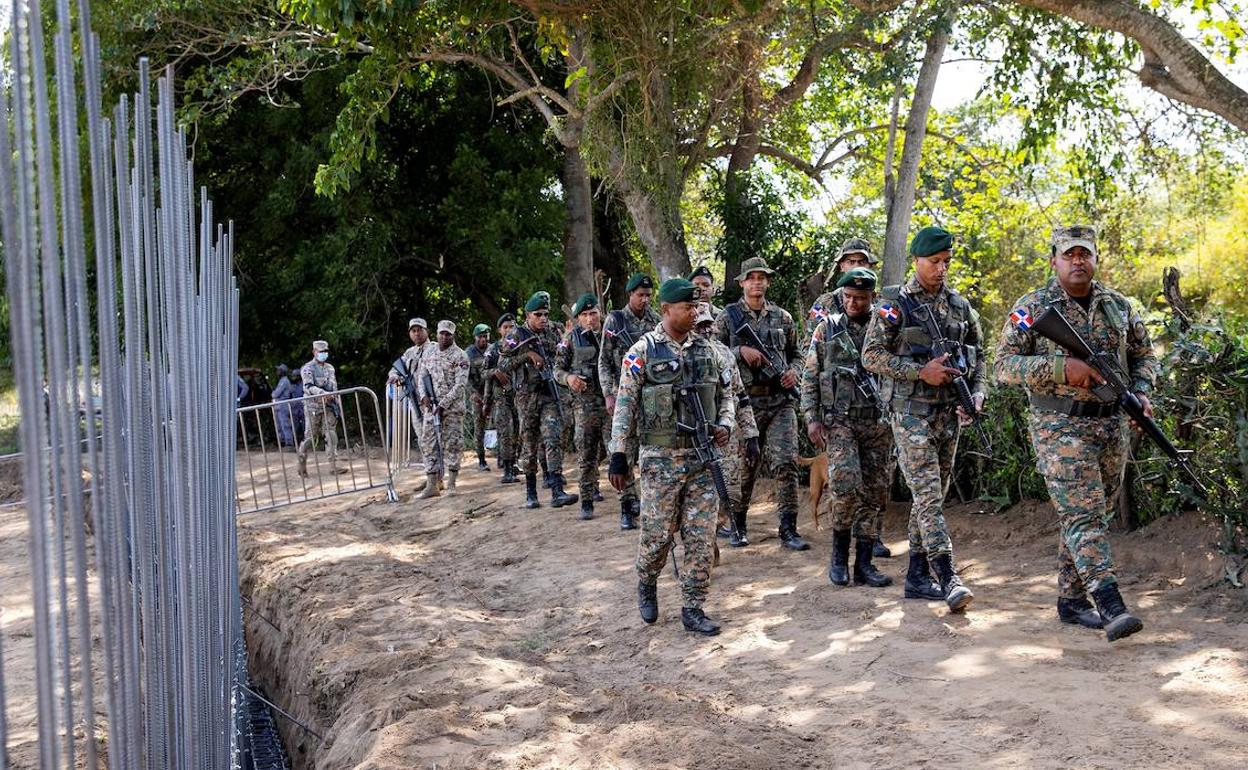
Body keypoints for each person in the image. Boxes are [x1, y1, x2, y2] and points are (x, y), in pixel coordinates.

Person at [994, 225, 1157, 642]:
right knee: (1083, 515)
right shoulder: (1033, 306)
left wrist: (1141, 392)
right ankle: (1110, 604)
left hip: (1110, 424)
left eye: (1085, 254)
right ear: (1054, 260)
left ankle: (1071, 600)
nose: (1078, 261)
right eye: (1069, 254)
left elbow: (1144, 355)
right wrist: (1061, 369)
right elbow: (1003, 366)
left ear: (1096, 258)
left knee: (1093, 515)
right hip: (1059, 426)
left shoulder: (1118, 305)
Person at [862, 225, 985, 612]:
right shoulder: (895, 304)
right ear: (916, 260)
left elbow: (979, 356)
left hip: (948, 414)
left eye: (946, 261)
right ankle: (947, 575)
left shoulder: (960, 306)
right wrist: (920, 372)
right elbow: (870, 356)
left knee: (930, 498)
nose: (941, 268)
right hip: (910, 415)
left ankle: (917, 576)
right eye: (934, 261)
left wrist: (977, 394)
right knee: (929, 497)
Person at [608, 278, 735, 635]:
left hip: (702, 458)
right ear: (666, 310)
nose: (695, 313)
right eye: (687, 307)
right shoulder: (642, 352)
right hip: (660, 459)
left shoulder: (709, 350)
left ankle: (693, 606)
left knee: (700, 535)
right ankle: (647, 580)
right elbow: (625, 405)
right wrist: (618, 453)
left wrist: (725, 424)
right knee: (658, 534)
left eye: (696, 307)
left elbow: (727, 395)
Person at [801, 267, 893, 589]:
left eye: (861, 298)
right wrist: (811, 417)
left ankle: (864, 564)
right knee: (845, 484)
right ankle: (839, 558)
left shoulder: (885, 329)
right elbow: (810, 376)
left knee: (875, 491)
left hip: (878, 423)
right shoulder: (827, 329)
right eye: (849, 297)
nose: (854, 303)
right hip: (839, 422)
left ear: (872, 297)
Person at [713, 256, 809, 551]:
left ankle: (789, 528)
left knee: (787, 463)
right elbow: (711, 352)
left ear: (768, 282)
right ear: (742, 282)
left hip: (780, 401)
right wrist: (739, 351)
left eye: (762, 278)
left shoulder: (782, 317)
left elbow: (797, 353)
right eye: (751, 278)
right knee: (746, 466)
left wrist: (794, 372)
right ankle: (738, 523)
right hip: (746, 404)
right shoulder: (727, 318)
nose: (757, 283)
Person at [501, 292, 578, 509]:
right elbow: (502, 365)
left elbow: (564, 355)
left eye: (545, 314)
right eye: (538, 315)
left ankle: (557, 490)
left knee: (553, 438)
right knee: (529, 443)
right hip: (527, 397)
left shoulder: (554, 330)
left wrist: (567, 339)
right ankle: (531, 492)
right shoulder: (516, 335)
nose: (543, 318)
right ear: (528, 315)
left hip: (550, 394)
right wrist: (527, 356)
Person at [599, 273, 661, 530]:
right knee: (623, 451)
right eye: (640, 295)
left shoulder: (656, 320)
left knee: (650, 450)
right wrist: (608, 393)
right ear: (630, 295)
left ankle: (647, 504)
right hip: (623, 395)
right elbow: (604, 361)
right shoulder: (615, 320)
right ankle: (627, 505)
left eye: (648, 296)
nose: (645, 300)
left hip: (651, 397)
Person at [695, 302, 759, 546]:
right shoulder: (680, 353)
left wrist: (751, 433)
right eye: (699, 325)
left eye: (708, 324)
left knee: (730, 488)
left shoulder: (724, 353)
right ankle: (705, 541)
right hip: (695, 436)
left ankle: (729, 526)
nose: (705, 330)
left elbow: (740, 395)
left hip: (726, 434)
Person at [554, 293, 607, 520]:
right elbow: (556, 370)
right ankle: (586, 500)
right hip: (584, 407)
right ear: (578, 318)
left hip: (610, 404)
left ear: (599, 313)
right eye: (584, 315)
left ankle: (628, 502)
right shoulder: (570, 339)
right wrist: (569, 378)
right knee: (586, 454)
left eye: (593, 313)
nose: (589, 319)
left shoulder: (611, 335)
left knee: (617, 452)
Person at [416, 320, 470, 497]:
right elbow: (422, 375)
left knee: (453, 444)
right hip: (431, 407)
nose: (444, 337)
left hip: (452, 408)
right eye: (442, 333)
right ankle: (432, 484)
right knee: (428, 443)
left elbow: (460, 385)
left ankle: (451, 484)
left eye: (448, 334)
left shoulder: (460, 356)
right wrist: (423, 396)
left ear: (453, 336)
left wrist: (443, 404)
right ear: (437, 333)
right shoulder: (429, 352)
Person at [297, 340, 347, 476]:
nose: (324, 354)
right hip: (313, 407)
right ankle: (301, 464)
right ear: (314, 352)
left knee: (331, 434)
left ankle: (333, 466)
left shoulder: (330, 368)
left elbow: (333, 385)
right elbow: (308, 386)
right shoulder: (307, 368)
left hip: (329, 406)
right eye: (321, 351)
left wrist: (334, 396)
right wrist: (322, 393)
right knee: (310, 438)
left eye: (325, 351)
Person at [388, 318, 432, 468]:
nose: (417, 333)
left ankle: (437, 471)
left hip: (431, 402)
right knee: (421, 438)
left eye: (420, 330)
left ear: (426, 331)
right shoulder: (410, 352)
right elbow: (395, 368)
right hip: (415, 401)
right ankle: (429, 471)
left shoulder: (435, 349)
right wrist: (394, 376)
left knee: (433, 438)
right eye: (413, 331)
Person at [483, 313, 520, 484]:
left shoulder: (520, 344)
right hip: (502, 397)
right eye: (505, 327)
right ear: (499, 330)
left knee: (519, 431)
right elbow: (483, 373)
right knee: (506, 432)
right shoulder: (493, 349)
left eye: (512, 327)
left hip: (520, 395)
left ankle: (515, 462)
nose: (509, 330)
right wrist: (495, 372)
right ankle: (507, 469)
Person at [466, 323, 492, 471]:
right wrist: (473, 393)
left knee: (502, 424)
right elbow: (465, 377)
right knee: (479, 427)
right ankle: (482, 460)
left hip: (493, 393)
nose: (483, 339)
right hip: (477, 393)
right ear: (475, 337)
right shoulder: (469, 353)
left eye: (485, 336)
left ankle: (505, 458)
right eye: (480, 336)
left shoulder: (493, 349)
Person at [272, 364, 297, 446]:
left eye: (279, 370)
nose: (277, 372)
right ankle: (282, 441)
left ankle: (289, 442)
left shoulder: (284, 381)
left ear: (282, 371)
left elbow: (276, 394)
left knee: (285, 424)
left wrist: (273, 393)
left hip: (283, 404)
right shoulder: (281, 380)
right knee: (279, 425)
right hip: (279, 405)